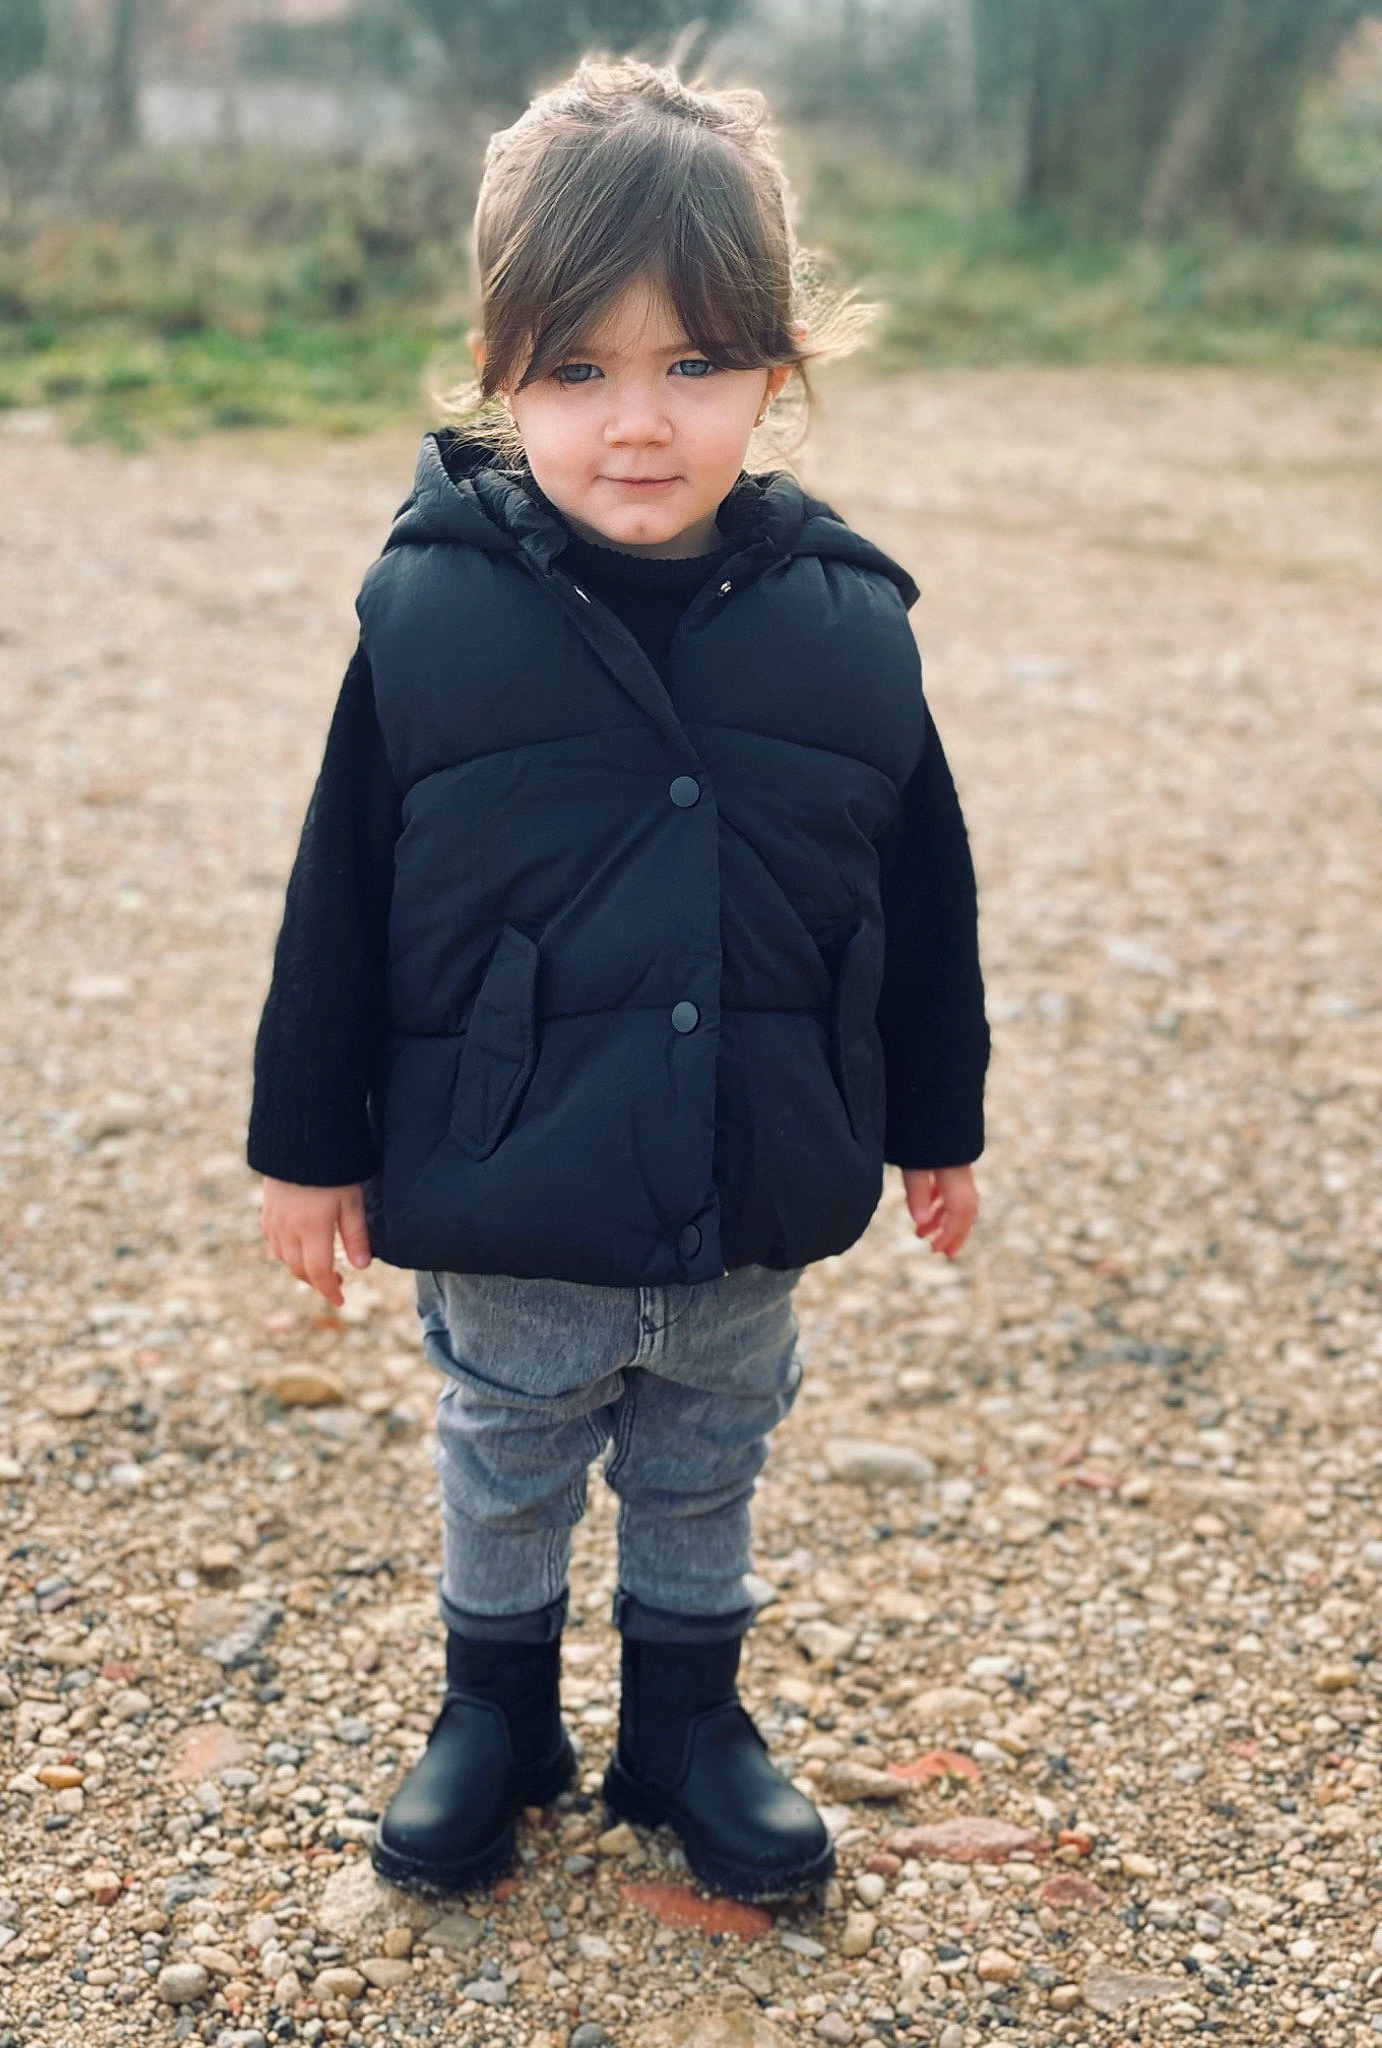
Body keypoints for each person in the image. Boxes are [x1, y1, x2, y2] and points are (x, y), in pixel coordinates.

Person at [246, 53, 990, 1904]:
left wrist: (936, 1121)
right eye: (576, 372)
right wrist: (302, 1145)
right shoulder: (429, 612)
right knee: (507, 1448)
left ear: (779, 372)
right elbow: (338, 894)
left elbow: (921, 896)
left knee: (706, 1449)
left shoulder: (848, 629)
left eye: (693, 366)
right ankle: (492, 1713)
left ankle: (689, 1723)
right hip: (512, 1162)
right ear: (501, 375)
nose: (635, 423)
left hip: (753, 1156)